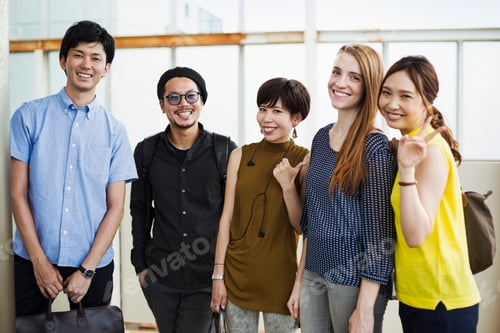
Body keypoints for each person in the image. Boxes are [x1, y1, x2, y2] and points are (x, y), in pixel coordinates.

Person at [10, 20, 137, 317]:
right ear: (63, 61)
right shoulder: (29, 116)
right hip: (32, 258)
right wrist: (39, 262)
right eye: (78, 55)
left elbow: (115, 207)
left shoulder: (115, 131)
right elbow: (18, 194)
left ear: (106, 68)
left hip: (93, 261)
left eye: (96, 58)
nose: (86, 64)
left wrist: (87, 270)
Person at [288, 44, 396, 333]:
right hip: (313, 274)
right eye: (336, 72)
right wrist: (299, 282)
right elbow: (311, 223)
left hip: (353, 282)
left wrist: (364, 309)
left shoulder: (374, 147)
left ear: (369, 85)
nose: (340, 82)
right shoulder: (321, 138)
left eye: (354, 77)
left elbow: (381, 237)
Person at [130, 66, 237, 332]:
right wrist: (141, 267)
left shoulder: (224, 151)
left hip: (207, 277)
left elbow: (234, 216)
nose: (183, 104)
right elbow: (140, 211)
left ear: (202, 101)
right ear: (162, 105)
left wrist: (223, 275)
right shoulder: (146, 151)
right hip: (161, 276)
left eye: (191, 96)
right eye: (174, 98)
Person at [378, 55, 480, 332]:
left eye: (405, 96)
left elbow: (415, 235)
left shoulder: (430, 151)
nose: (392, 103)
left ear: (427, 102)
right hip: (421, 296)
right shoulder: (415, 141)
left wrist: (407, 169)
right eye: (386, 92)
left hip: (441, 301)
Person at [210, 77, 311, 332]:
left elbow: (301, 227)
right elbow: (227, 218)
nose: (266, 118)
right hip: (236, 276)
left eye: (277, 111)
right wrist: (218, 276)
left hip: (281, 281)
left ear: (296, 119)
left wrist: (288, 186)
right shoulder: (240, 155)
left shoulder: (304, 160)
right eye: (263, 109)